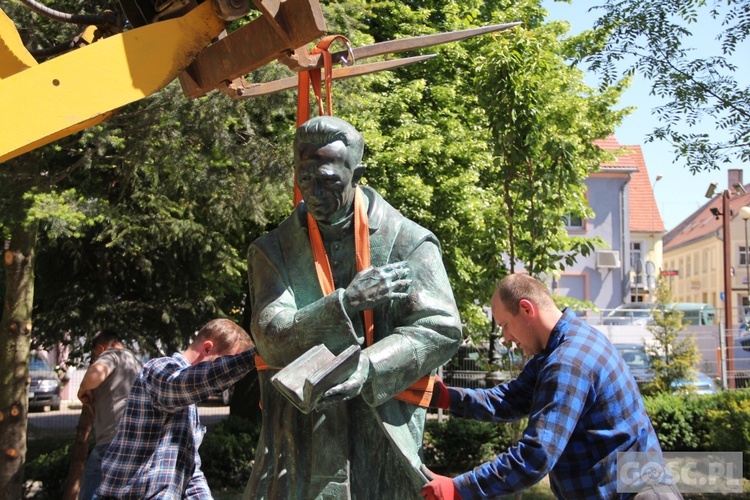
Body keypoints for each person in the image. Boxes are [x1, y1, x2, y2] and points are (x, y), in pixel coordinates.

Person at [244, 116, 462, 498]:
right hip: (297, 444)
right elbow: (270, 337)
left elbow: (441, 328)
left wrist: (369, 365)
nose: (313, 192)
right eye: (304, 177)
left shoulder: (408, 242)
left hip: (380, 436)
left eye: (327, 180)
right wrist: (345, 303)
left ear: (356, 173)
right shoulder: (273, 250)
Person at [420, 273, 681, 500]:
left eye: (505, 326)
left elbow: (535, 456)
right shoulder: (561, 345)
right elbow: (510, 399)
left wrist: (460, 488)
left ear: (526, 309)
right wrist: (444, 397)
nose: (506, 338)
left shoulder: (568, 363)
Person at [96, 318, 256, 499]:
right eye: (224, 366)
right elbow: (185, 383)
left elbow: (190, 472)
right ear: (207, 349)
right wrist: (253, 358)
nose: (228, 383)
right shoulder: (159, 369)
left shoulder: (189, 403)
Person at [77, 329, 142, 500]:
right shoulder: (136, 363)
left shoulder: (112, 354)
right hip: (137, 444)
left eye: (94, 355)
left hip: (111, 444)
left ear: (100, 348)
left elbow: (95, 375)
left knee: (90, 492)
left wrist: (83, 389)